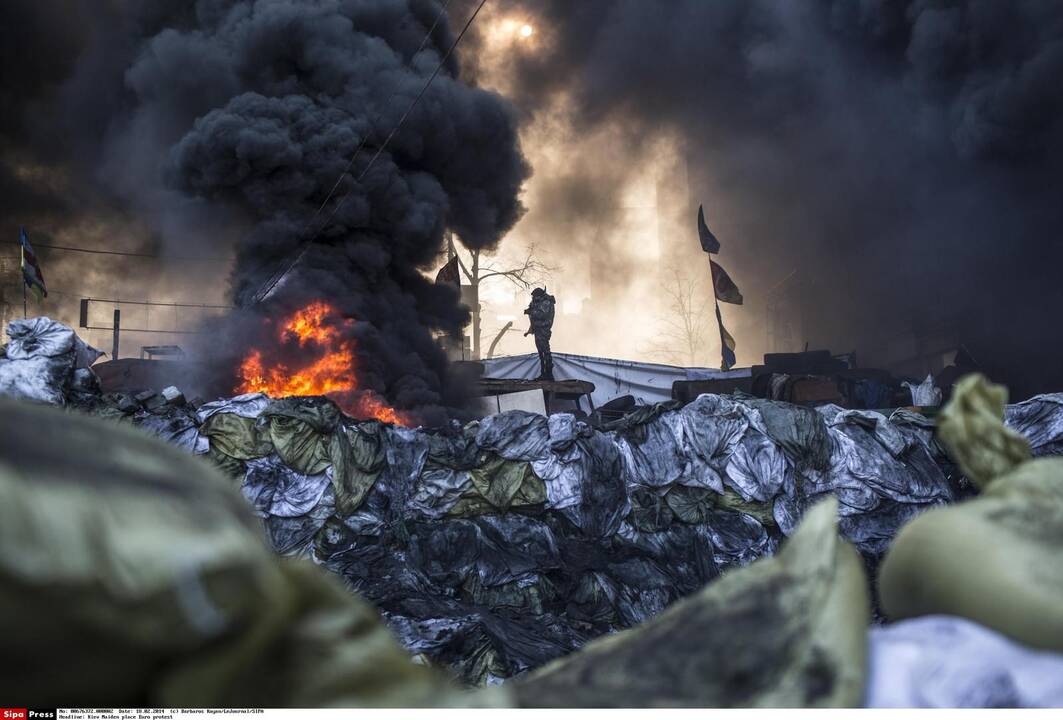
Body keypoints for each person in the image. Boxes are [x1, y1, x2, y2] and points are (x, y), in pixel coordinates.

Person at [524, 287, 556, 381]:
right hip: (538, 328)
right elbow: (534, 310)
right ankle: (543, 373)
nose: (533, 298)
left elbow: (542, 314)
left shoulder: (546, 301)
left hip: (543, 328)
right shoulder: (537, 301)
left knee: (545, 351)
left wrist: (531, 312)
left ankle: (548, 374)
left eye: (534, 296)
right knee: (541, 352)